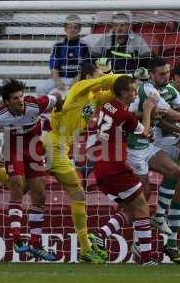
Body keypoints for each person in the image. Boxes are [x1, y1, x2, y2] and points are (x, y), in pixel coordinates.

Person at [42, 63, 123, 263]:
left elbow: (114, 92)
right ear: (89, 76)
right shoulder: (79, 88)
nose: (101, 76)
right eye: (98, 74)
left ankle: (86, 248)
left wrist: (128, 85)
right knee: (78, 195)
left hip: (62, 147)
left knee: (32, 187)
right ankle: (86, 248)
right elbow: (106, 81)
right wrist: (124, 75)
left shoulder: (93, 99)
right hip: (53, 143)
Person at [0, 79, 61, 261]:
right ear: (7, 102)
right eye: (15, 98)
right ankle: (17, 238)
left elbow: (56, 97)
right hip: (13, 149)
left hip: (34, 149)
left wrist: (61, 109)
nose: (20, 100)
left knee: (40, 195)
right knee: (17, 186)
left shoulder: (35, 104)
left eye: (21, 96)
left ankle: (35, 244)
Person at [90, 76, 158, 265]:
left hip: (100, 167)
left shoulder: (107, 107)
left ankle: (100, 235)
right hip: (115, 166)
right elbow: (145, 132)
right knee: (143, 209)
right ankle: (146, 259)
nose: (135, 93)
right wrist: (147, 110)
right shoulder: (123, 114)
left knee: (130, 209)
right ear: (123, 92)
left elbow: (120, 124)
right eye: (132, 90)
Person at [127, 58, 180, 263]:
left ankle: (161, 221)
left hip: (147, 146)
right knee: (142, 195)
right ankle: (108, 232)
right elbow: (173, 117)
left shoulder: (170, 91)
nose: (165, 76)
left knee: (176, 172)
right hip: (135, 147)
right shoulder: (150, 91)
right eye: (162, 73)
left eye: (167, 72)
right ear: (151, 74)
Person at [36, 15, 91, 96]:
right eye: (70, 27)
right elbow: (53, 67)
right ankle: (44, 108)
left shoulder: (85, 46)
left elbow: (86, 68)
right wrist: (58, 81)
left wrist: (76, 81)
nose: (72, 30)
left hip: (78, 78)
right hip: (61, 78)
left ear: (79, 29)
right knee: (41, 88)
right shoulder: (58, 45)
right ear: (65, 29)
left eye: (75, 27)